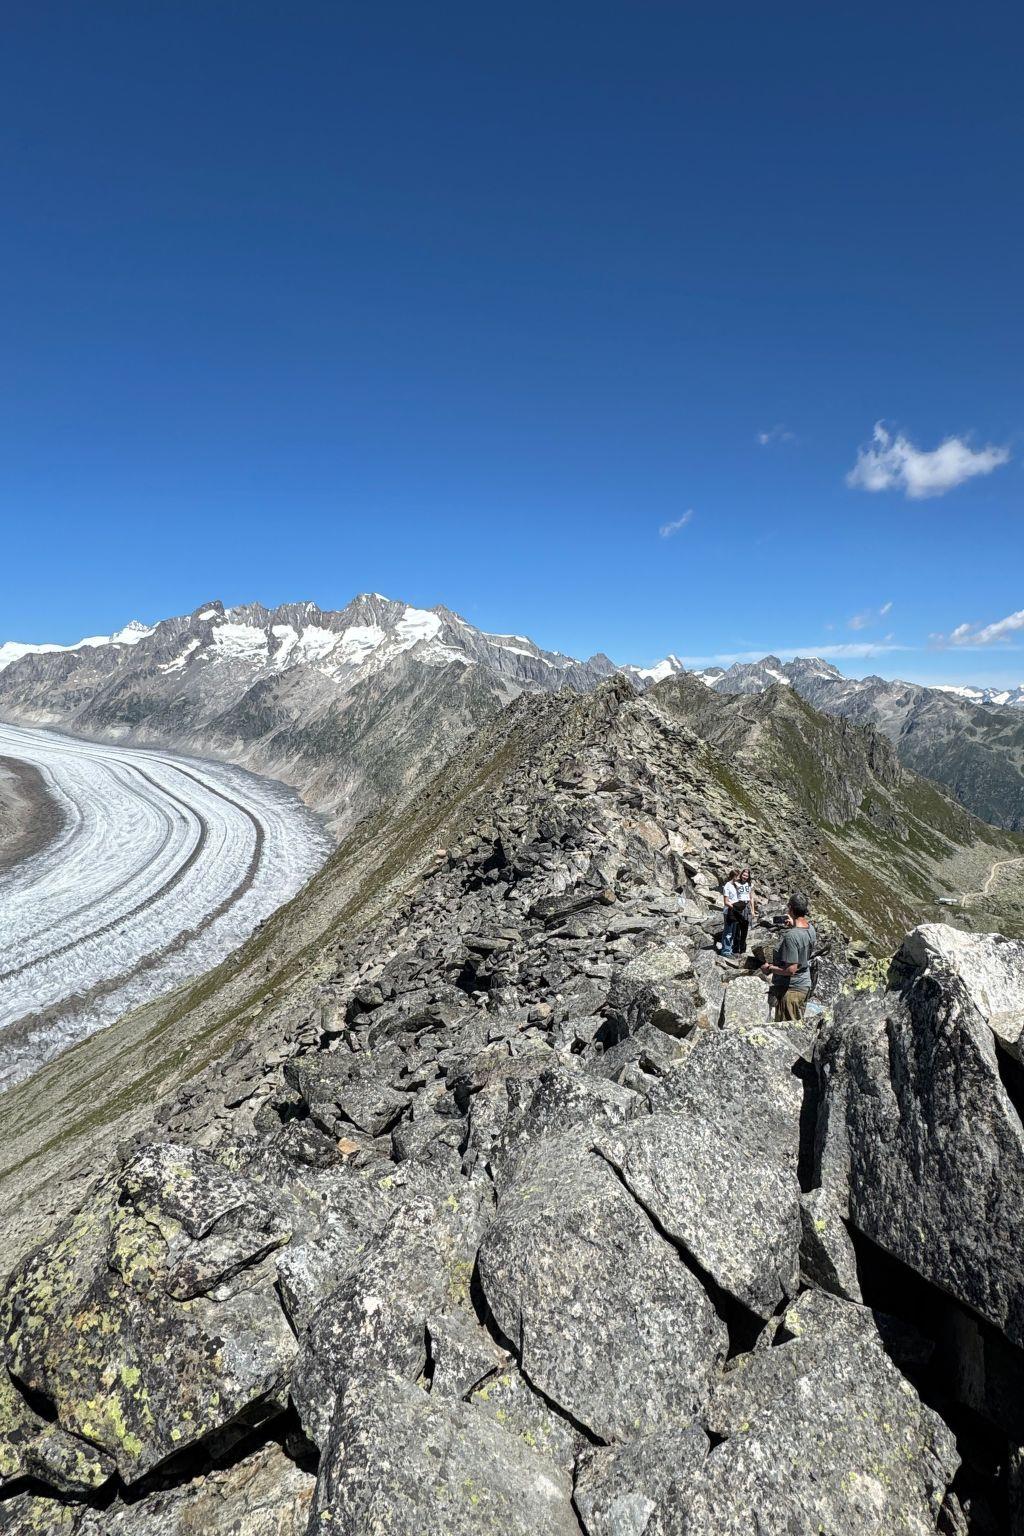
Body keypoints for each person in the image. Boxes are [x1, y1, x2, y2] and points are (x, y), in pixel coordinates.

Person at [761, 890, 816, 1021]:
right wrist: (793, 925)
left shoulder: (791, 936)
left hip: (791, 990)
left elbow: (791, 970)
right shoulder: (810, 928)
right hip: (804, 984)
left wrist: (769, 968)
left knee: (786, 1027)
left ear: (790, 908)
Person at [732, 866, 756, 955]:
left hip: (746, 906)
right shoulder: (736, 883)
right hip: (738, 906)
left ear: (748, 876)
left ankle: (742, 949)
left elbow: (751, 898)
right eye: (743, 875)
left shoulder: (750, 885)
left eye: (746, 875)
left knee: (745, 929)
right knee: (737, 928)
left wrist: (753, 910)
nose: (745, 877)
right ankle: (735, 949)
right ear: (741, 875)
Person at [720, 868, 741, 956]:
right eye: (738, 876)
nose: (739, 878)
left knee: (733, 932)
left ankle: (729, 949)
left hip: (735, 912)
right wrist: (735, 907)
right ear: (734, 876)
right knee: (728, 932)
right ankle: (725, 951)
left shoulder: (735, 886)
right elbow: (726, 901)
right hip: (729, 911)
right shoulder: (727, 886)